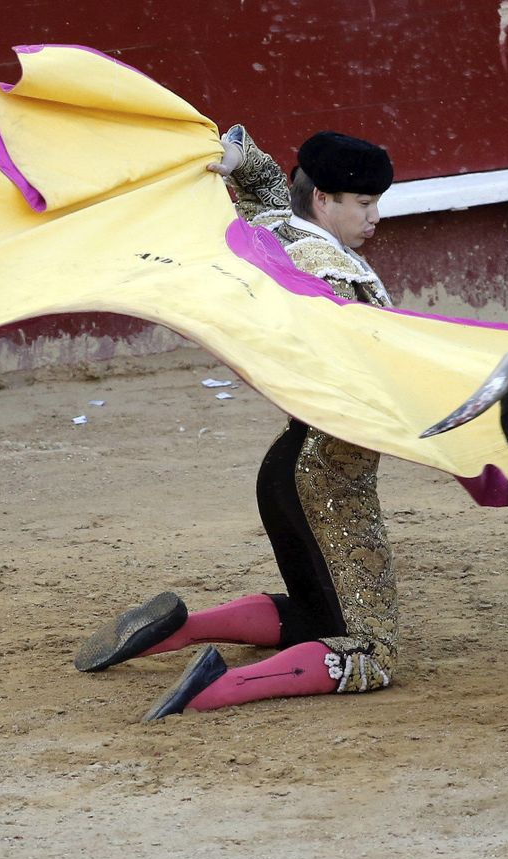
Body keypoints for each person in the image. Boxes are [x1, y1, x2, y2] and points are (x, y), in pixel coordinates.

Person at [74, 124, 402, 721]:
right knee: (370, 651)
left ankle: (181, 630)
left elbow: (262, 185)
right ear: (323, 199)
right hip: (330, 481)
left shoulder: (280, 228)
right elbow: (380, 362)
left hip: (285, 470)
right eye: (362, 202)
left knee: (314, 615)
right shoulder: (334, 273)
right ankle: (215, 687)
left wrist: (235, 157)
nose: (375, 214)